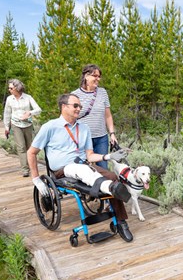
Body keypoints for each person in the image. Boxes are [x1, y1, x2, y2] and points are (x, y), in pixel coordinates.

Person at [27, 93, 134, 241]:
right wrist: (36, 179)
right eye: (76, 106)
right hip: (62, 171)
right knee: (82, 170)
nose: (79, 109)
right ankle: (109, 188)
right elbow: (31, 153)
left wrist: (108, 156)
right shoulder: (49, 127)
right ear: (64, 107)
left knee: (112, 176)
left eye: (80, 106)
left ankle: (121, 222)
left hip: (84, 164)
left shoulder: (84, 128)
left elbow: (90, 156)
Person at [71, 64, 118, 169]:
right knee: (84, 168)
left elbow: (108, 115)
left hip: (101, 138)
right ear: (86, 76)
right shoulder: (75, 95)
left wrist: (112, 134)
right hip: (82, 138)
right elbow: (71, 117)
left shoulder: (102, 93)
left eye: (99, 76)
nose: (98, 79)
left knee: (103, 167)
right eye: (95, 76)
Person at [3, 79, 42, 177]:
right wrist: (7, 127)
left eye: (11, 88)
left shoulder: (28, 97)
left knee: (30, 147)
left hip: (28, 125)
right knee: (21, 147)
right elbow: (7, 113)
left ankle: (32, 166)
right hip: (16, 125)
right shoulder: (9, 99)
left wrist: (30, 112)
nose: (9, 90)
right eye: (9, 88)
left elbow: (38, 109)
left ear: (17, 88)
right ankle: (25, 169)